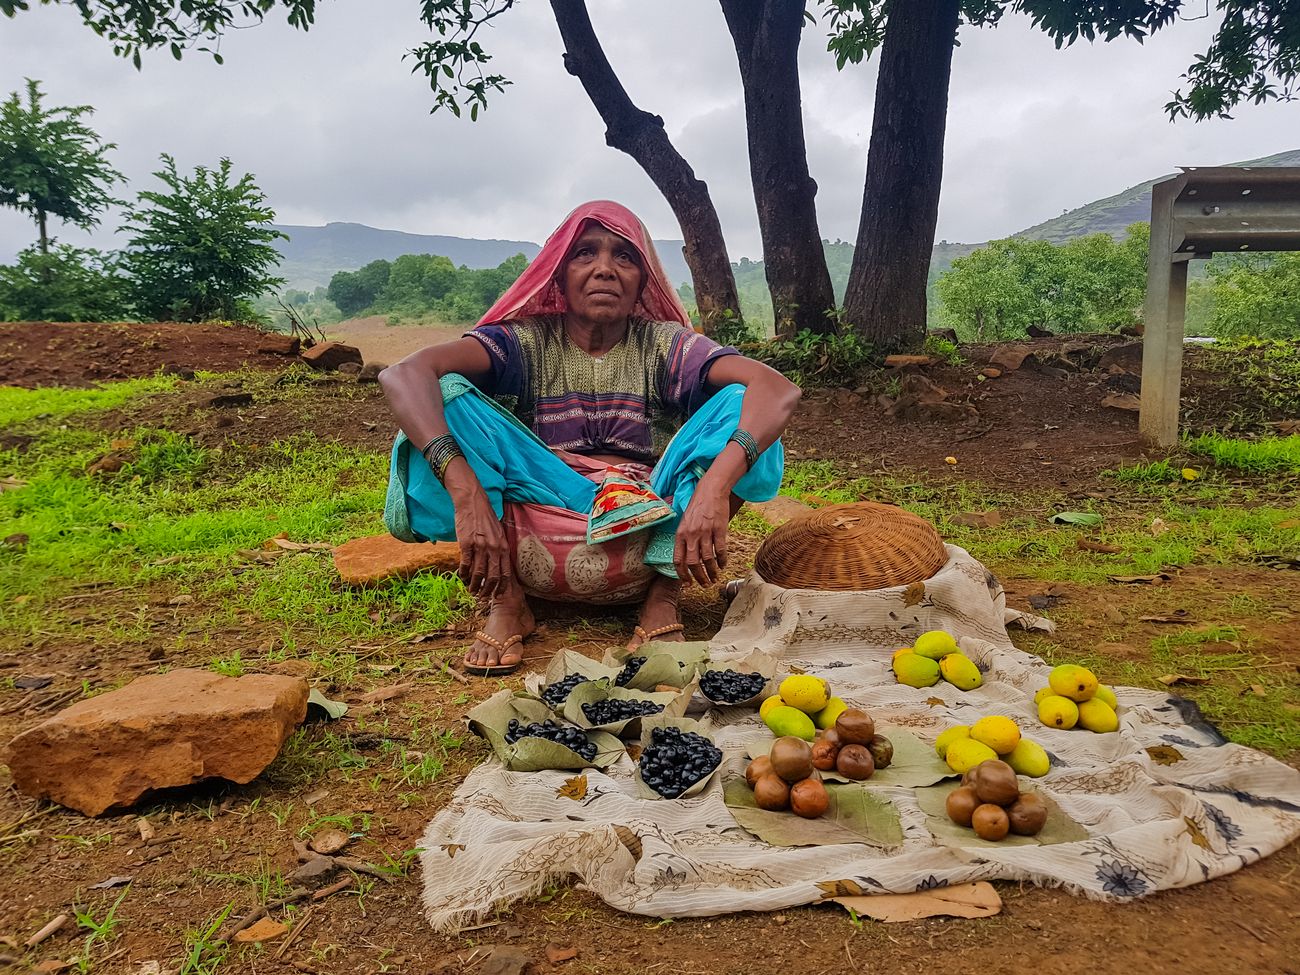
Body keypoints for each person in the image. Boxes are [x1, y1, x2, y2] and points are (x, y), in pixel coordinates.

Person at [379, 200, 800, 676]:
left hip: (648, 514)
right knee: (445, 398)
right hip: (543, 499)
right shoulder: (525, 341)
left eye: (624, 256)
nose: (604, 269)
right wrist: (466, 492)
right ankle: (507, 599)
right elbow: (405, 374)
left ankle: (663, 596)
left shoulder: (664, 344)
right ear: (557, 276)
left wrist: (714, 488)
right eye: (585, 253)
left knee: (745, 404)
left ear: (643, 281)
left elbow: (776, 389)